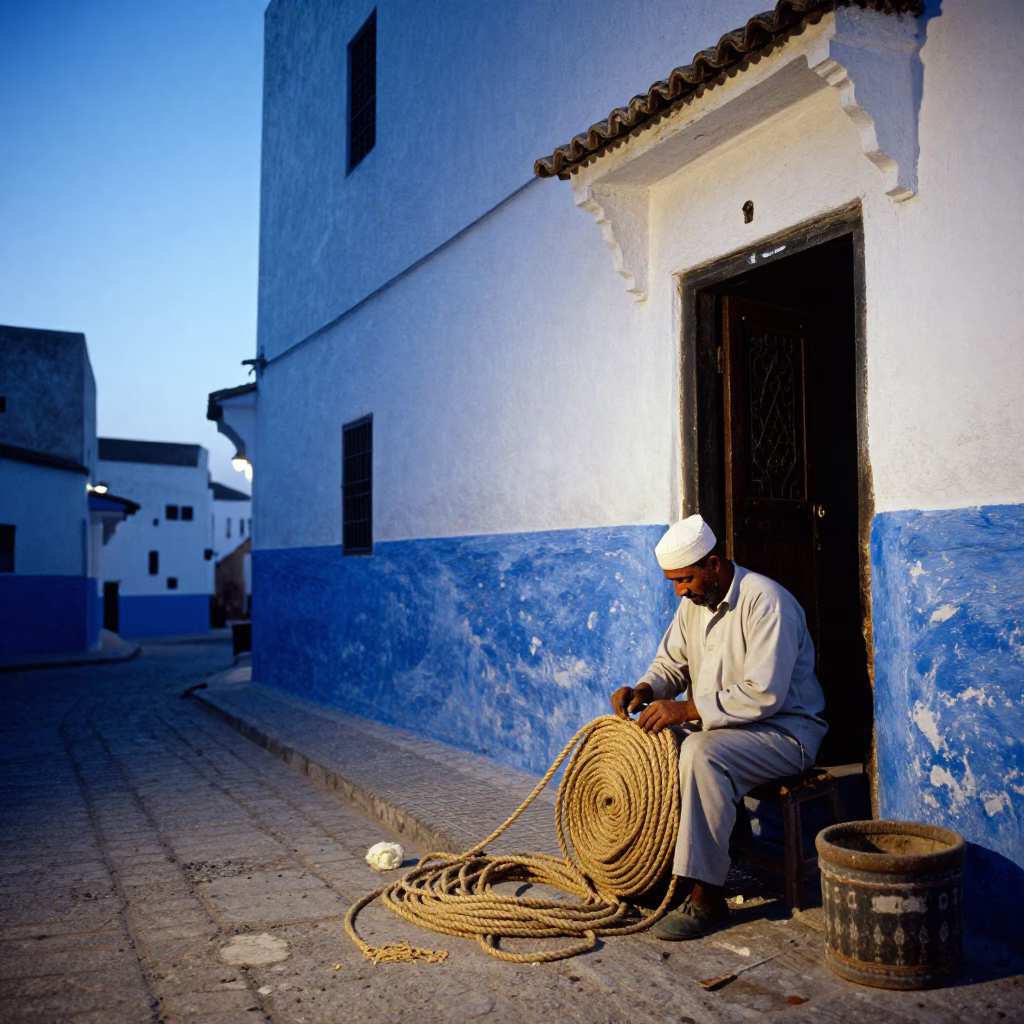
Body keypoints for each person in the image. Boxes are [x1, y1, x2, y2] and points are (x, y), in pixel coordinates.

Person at [610, 514, 827, 940]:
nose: (679, 590)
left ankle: (707, 897)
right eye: (673, 582)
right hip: (728, 731)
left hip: (786, 733)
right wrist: (645, 689)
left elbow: (763, 694)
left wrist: (686, 708)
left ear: (712, 564)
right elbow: (671, 663)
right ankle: (669, 869)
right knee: (654, 745)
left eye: (685, 579)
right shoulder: (694, 604)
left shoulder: (767, 601)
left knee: (701, 753)